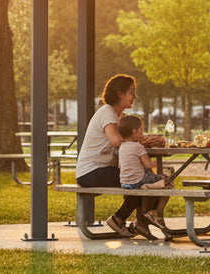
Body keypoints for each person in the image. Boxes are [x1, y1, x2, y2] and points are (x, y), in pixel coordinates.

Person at [75, 74, 155, 240]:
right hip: (91, 172)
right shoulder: (107, 112)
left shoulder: (117, 117)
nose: (134, 96)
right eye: (131, 92)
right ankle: (120, 219)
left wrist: (140, 140)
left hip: (100, 171)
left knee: (143, 178)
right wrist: (139, 141)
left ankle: (139, 222)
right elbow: (117, 140)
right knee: (140, 179)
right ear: (120, 93)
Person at [117, 114, 176, 239]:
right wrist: (158, 163)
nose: (142, 134)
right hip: (138, 181)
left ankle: (145, 218)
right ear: (135, 131)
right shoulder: (138, 147)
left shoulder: (122, 147)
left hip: (125, 183)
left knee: (153, 182)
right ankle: (156, 213)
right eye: (141, 131)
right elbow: (148, 164)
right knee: (167, 181)